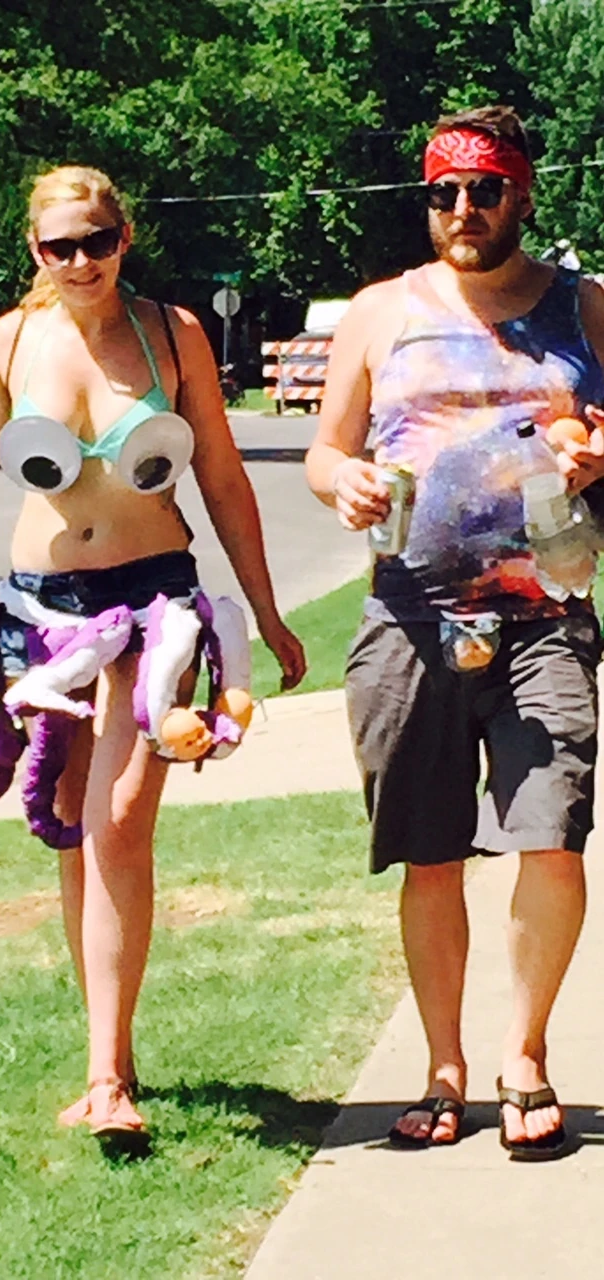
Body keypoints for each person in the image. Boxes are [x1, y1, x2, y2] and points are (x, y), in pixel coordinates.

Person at [0, 165, 305, 1139]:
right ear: (35, 252)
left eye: (96, 241)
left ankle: (110, 1081)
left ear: (125, 239)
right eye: (58, 247)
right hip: (45, 614)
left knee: (120, 822)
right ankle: (107, 1064)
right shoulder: (12, 338)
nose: (79, 261)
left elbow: (224, 479)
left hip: (151, 605)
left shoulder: (173, 333)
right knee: (76, 825)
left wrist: (267, 612)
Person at [306, 105, 604, 1160]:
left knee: (551, 832)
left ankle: (524, 1054)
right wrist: (341, 477)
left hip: (548, 619)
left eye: (484, 189)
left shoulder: (587, 308)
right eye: (443, 192)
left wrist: (598, 457)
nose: (463, 209)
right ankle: (444, 1065)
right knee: (430, 851)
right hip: (411, 617)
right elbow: (325, 450)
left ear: (522, 191)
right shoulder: (382, 311)